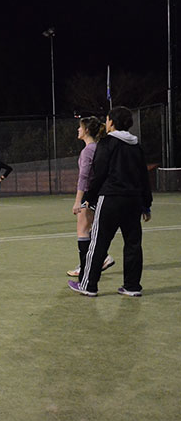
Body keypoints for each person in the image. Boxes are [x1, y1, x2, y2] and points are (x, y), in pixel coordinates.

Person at [68, 106, 152, 297]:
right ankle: (132, 287)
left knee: (98, 242)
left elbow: (99, 173)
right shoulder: (136, 146)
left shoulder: (107, 144)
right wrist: (146, 204)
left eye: (107, 120)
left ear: (112, 122)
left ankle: (88, 285)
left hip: (111, 199)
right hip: (133, 201)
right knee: (133, 243)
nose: (106, 123)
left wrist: (89, 198)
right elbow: (143, 177)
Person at [67, 117, 115, 277]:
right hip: (99, 193)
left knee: (83, 230)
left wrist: (77, 201)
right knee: (91, 229)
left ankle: (85, 267)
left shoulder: (88, 150)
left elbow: (84, 177)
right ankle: (102, 258)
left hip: (89, 194)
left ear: (87, 130)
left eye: (80, 128)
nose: (78, 130)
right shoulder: (99, 147)